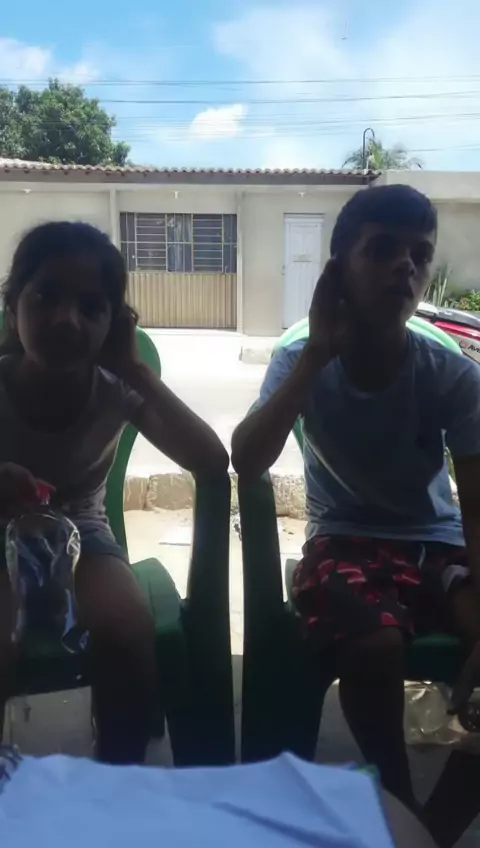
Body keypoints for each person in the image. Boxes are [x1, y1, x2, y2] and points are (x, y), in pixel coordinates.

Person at [232, 184, 480, 820]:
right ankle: (395, 799)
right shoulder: (301, 360)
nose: (405, 266)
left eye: (420, 255)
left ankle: (432, 829)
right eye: (382, 249)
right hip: (343, 541)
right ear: (338, 270)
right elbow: (248, 458)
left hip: (438, 544)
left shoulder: (450, 371)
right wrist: (316, 355)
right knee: (373, 647)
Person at [0, 220, 229, 764]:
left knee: (128, 632)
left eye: (91, 307)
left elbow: (211, 462)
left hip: (83, 535)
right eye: (46, 296)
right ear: (13, 308)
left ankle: (114, 780)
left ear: (114, 323)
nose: (66, 319)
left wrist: (136, 370)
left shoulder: (116, 390)